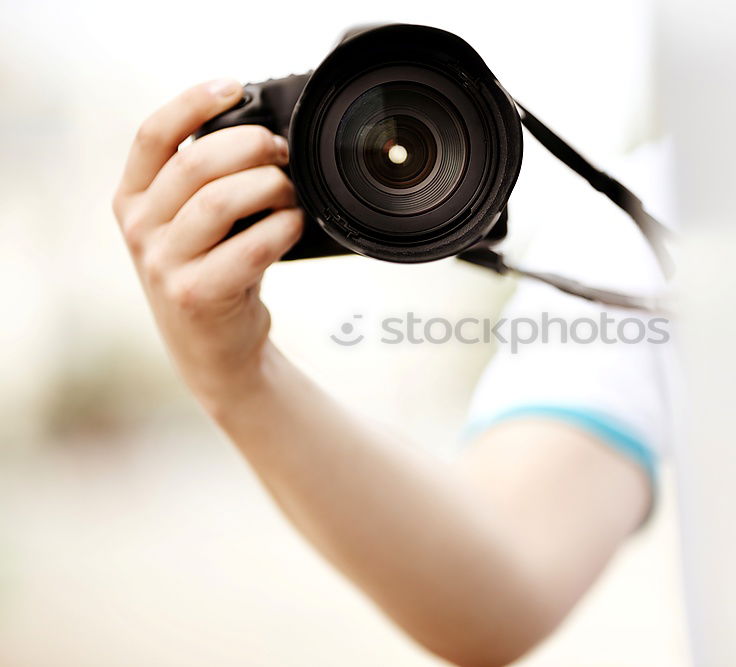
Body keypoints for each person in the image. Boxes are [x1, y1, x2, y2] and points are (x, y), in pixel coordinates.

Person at [112, 78, 672, 666]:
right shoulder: (638, 226)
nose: (392, 150)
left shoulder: (644, 219)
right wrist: (235, 375)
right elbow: (499, 588)